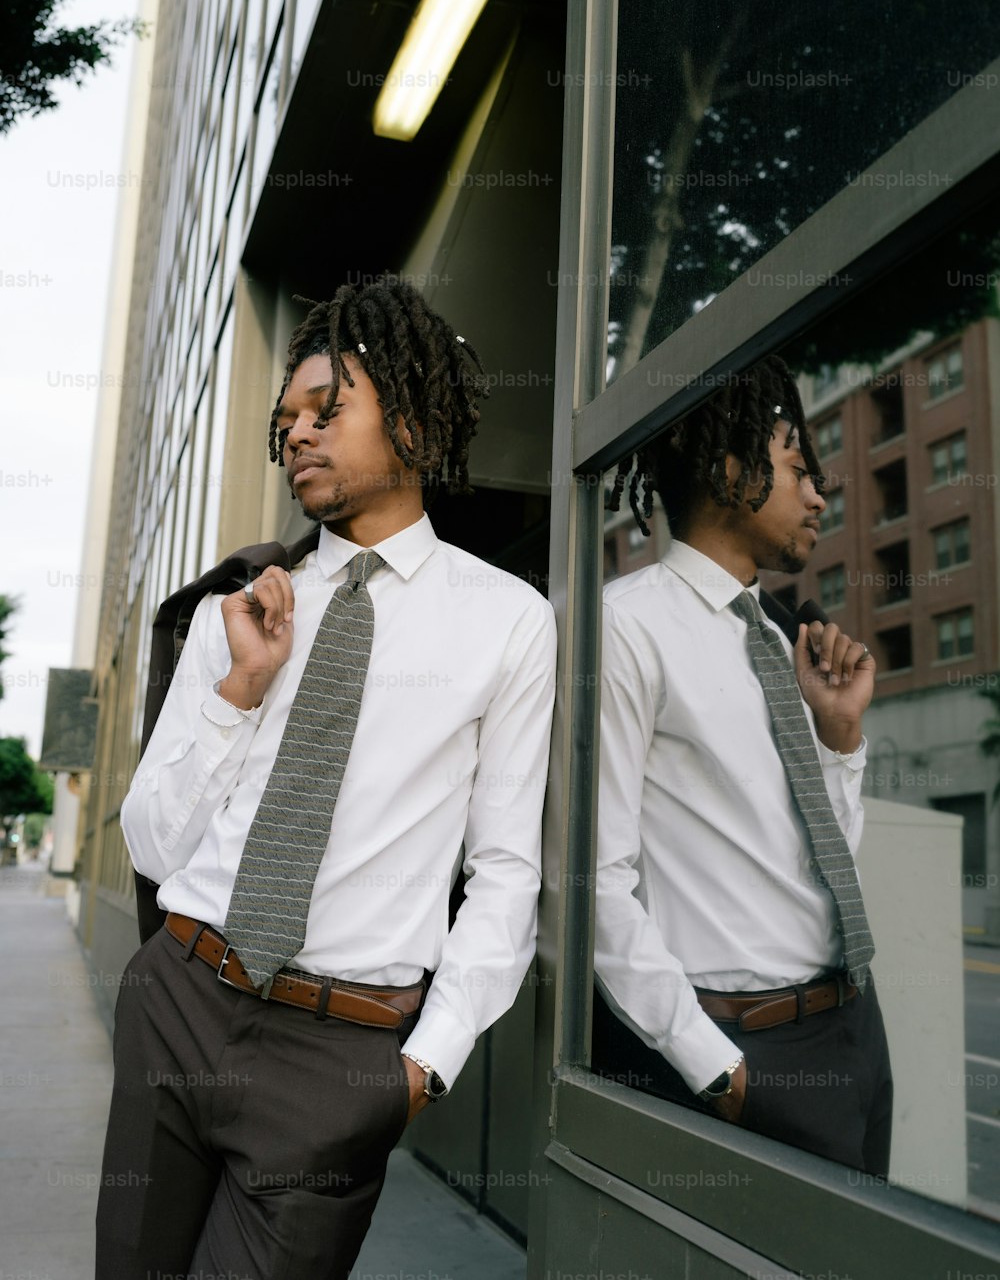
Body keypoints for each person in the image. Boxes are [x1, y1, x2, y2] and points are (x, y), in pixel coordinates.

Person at [96, 276, 557, 1279]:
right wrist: (237, 690)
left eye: (327, 408)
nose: (298, 432)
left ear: (416, 416)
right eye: (286, 418)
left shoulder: (507, 618)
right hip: (178, 1000)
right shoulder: (242, 606)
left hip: (338, 1055)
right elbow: (152, 844)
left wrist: (420, 1068)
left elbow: (509, 870)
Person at [592, 355, 892, 1176]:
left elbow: (821, 859)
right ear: (729, 469)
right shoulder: (626, 629)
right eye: (799, 468)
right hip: (745, 1052)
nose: (820, 495)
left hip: (856, 1029)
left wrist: (837, 740)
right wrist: (714, 1070)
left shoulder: (781, 638)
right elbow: (593, 880)